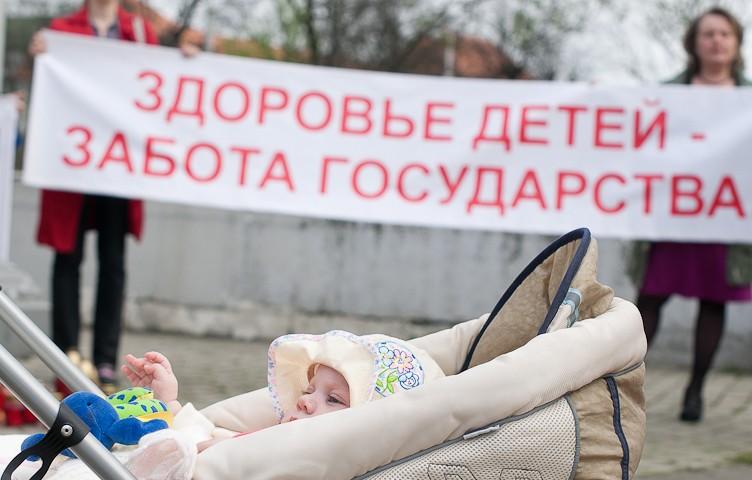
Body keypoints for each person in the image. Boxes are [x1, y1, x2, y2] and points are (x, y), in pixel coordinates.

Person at [28, 0, 197, 395]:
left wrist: (187, 62)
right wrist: (39, 58)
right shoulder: (61, 30)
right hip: (73, 165)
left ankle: (105, 361)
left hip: (117, 169)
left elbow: (161, 86)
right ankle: (66, 358)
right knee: (67, 259)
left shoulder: (140, 33)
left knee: (113, 263)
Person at [627, 7, 752, 423]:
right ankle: (625, 384)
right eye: (708, 34)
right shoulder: (665, 93)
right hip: (673, 216)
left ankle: (696, 390)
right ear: (695, 43)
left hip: (724, 219)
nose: (716, 41)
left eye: (724, 33)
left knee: (713, 302)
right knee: (649, 300)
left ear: (736, 42)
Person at [121, 330, 446, 451]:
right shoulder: (272, 443)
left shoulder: (300, 459)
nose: (304, 401)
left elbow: (208, 450)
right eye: (310, 390)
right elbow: (212, 438)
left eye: (333, 399)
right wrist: (169, 401)